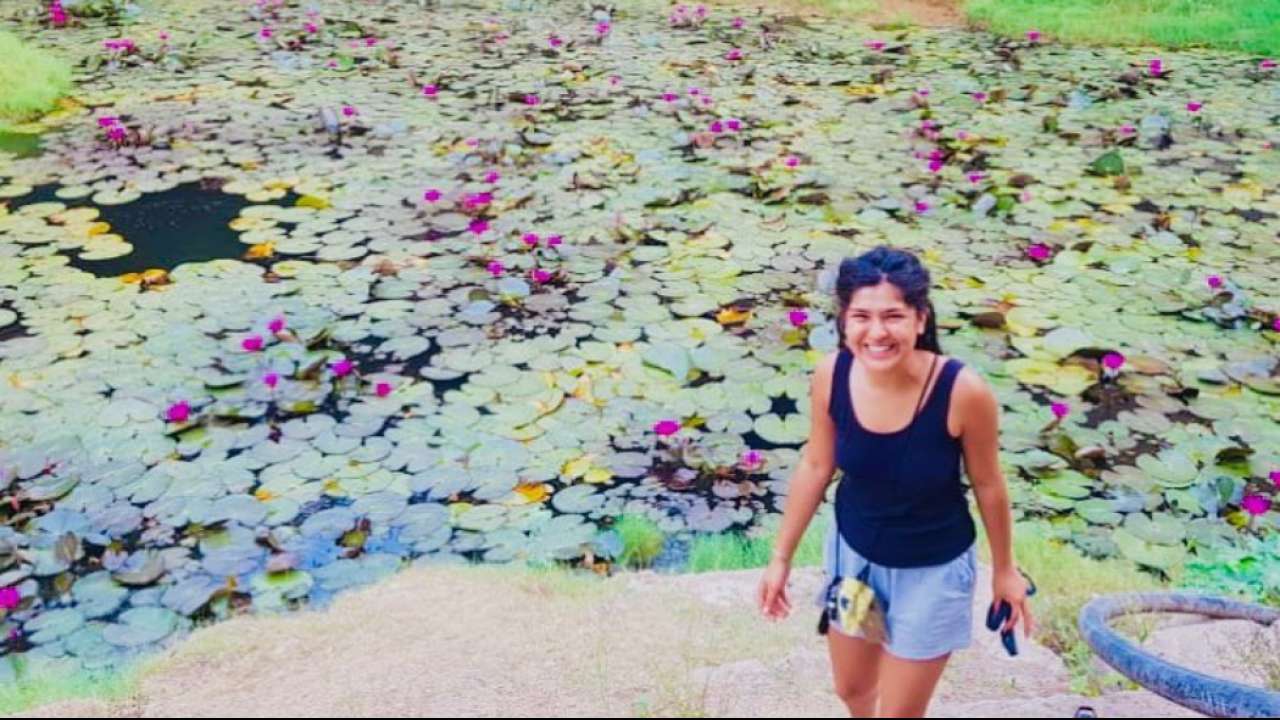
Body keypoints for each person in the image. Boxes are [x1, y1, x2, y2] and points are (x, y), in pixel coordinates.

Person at [756, 246, 1034, 717]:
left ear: (920, 319)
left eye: (893, 316)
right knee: (853, 690)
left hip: (931, 577)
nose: (877, 333)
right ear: (844, 321)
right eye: (861, 317)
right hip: (855, 565)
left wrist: (1005, 569)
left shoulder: (962, 392)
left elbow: (989, 484)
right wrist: (780, 557)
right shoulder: (832, 374)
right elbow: (816, 465)